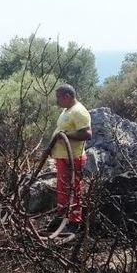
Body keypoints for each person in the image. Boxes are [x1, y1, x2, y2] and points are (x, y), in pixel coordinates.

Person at [47, 84, 91, 232]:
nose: (57, 101)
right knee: (62, 189)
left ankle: (74, 223)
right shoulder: (67, 111)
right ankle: (61, 217)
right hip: (63, 157)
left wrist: (65, 136)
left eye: (59, 97)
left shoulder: (79, 112)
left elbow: (87, 134)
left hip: (72, 158)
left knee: (73, 189)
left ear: (67, 96)